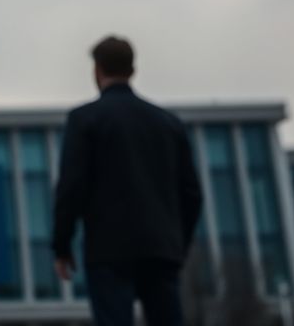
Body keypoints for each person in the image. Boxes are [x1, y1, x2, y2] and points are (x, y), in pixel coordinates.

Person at [52, 35, 204, 326]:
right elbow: (191, 193)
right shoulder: (168, 123)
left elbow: (71, 187)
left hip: (108, 250)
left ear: (97, 70)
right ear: (133, 70)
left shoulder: (84, 120)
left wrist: (62, 245)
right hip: (161, 249)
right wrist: (177, 246)